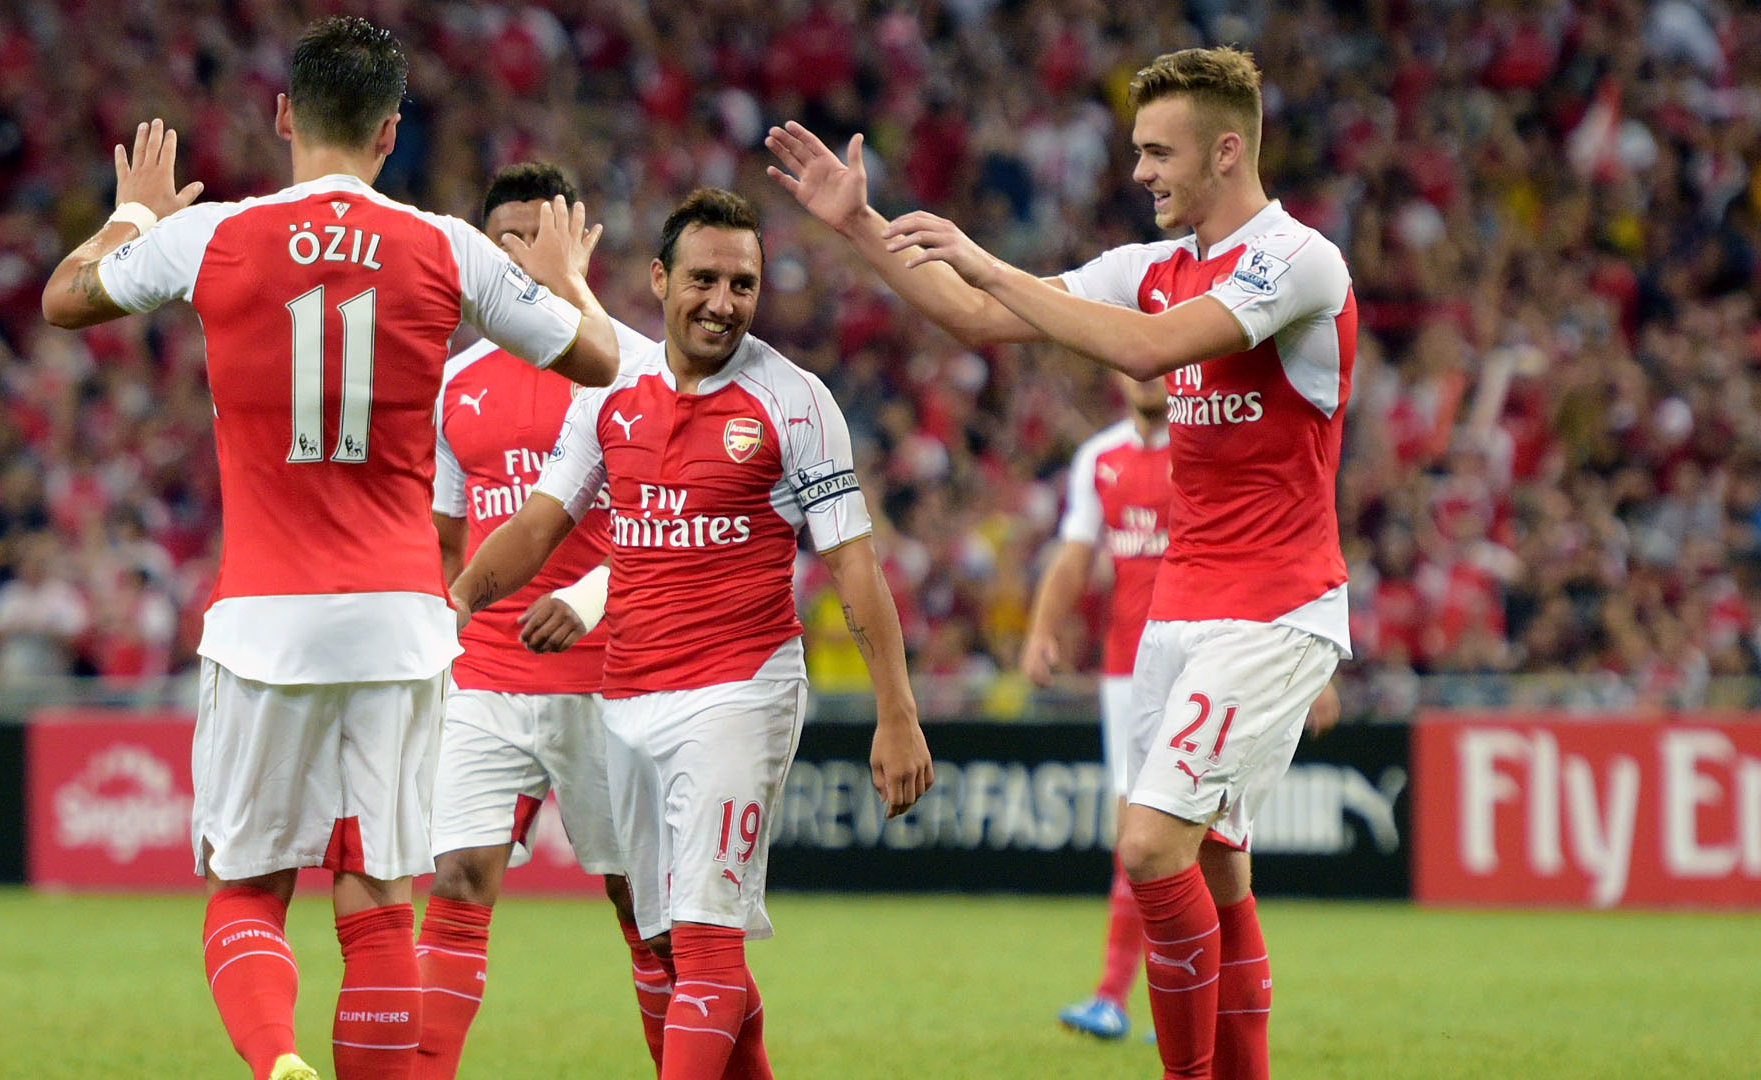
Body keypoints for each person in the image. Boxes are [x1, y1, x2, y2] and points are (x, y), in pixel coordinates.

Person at [40, 17, 620, 1080]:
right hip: (402, 624)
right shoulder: (451, 246)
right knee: (379, 900)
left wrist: (130, 214)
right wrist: (560, 285)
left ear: (281, 117)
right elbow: (593, 359)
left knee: (251, 887)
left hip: (263, 620)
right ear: (392, 131)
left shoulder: (211, 236)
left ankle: (275, 1064)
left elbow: (64, 298)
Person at [768, 45, 1351, 1080]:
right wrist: (858, 224)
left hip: (1273, 611)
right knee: (1216, 867)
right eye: (1136, 151)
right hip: (1178, 614)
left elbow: (1146, 350)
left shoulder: (1298, 261)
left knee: (1149, 847)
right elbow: (977, 316)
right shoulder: (1146, 267)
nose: (1139, 173)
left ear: (1227, 152)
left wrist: (988, 258)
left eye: (1157, 153)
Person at [449, 188, 935, 1080]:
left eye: (742, 284)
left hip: (740, 688)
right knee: (672, 947)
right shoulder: (611, 396)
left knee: (706, 941)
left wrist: (895, 712)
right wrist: (456, 601)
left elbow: (854, 566)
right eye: (705, 279)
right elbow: (537, 525)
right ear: (661, 279)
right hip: (627, 697)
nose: (723, 302)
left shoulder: (794, 401)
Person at [414, 160, 666, 1079]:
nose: (523, 257)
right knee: (454, 882)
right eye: (507, 240)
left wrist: (592, 596)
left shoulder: (633, 367)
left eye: (542, 236)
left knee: (643, 909)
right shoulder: (456, 383)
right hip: (486, 679)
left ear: (578, 241)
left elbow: (670, 528)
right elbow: (448, 536)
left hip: (611, 681)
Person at [1021, 374, 1172, 1043]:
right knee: (1135, 835)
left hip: (1209, 660)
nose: (1147, 374)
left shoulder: (1207, 448)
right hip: (1128, 672)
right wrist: (1041, 632)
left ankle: (1197, 998)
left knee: (1208, 838)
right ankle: (1114, 997)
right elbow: (1075, 555)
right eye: (1134, 362)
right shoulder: (1100, 458)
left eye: (1160, 360)